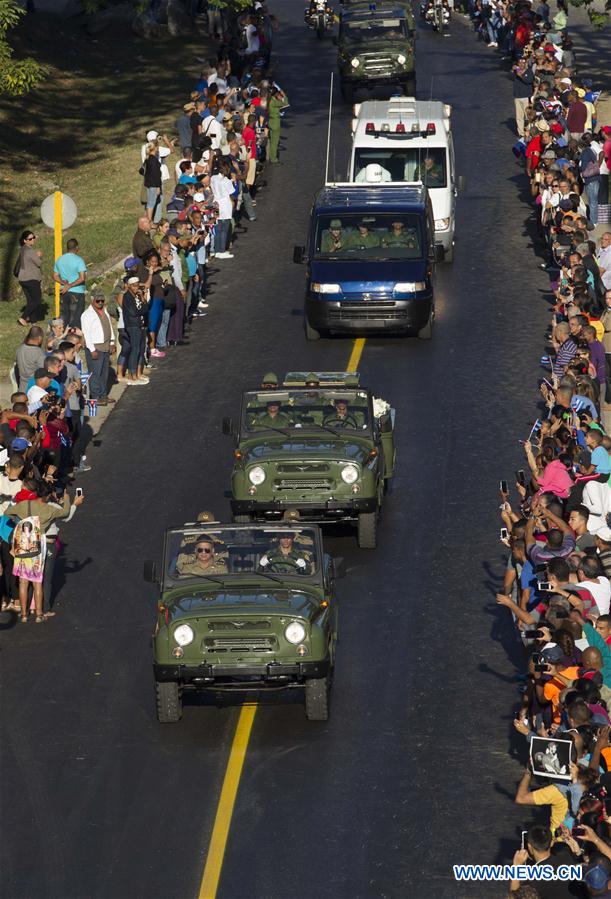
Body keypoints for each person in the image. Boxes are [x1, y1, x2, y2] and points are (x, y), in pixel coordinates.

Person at [80, 290, 116, 406]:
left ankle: (103, 395)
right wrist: (92, 350)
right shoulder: (86, 314)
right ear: (92, 300)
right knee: (95, 373)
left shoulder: (104, 311)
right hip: (95, 348)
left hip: (105, 346)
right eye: (98, 301)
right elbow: (86, 333)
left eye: (102, 300)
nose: (100, 303)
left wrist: (112, 342)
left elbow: (109, 327)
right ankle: (96, 397)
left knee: (104, 373)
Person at [53, 238, 87, 328]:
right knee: (76, 319)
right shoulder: (79, 260)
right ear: (77, 247)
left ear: (67, 248)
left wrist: (63, 282)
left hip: (63, 292)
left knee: (64, 318)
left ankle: (63, 334)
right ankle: (73, 335)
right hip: (77, 293)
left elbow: (55, 276)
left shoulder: (60, 260)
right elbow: (82, 278)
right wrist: (69, 285)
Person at [16, 230, 43, 327]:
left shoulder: (22, 249)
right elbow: (39, 263)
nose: (33, 240)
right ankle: (23, 317)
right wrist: (39, 256)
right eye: (30, 239)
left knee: (31, 301)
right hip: (31, 279)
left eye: (33, 237)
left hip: (22, 279)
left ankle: (33, 321)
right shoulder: (30, 251)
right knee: (37, 300)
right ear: (25, 240)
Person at [15, 326, 46, 392]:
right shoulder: (38, 352)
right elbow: (43, 372)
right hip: (34, 389)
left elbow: (16, 368)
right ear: (40, 338)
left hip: (22, 387)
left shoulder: (20, 349)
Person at [267, 86, 289, 164]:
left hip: (271, 121)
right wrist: (284, 95)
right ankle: (273, 159)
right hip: (275, 123)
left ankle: (270, 156)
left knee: (272, 141)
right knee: (275, 142)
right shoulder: (273, 102)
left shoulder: (270, 99)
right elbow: (285, 103)